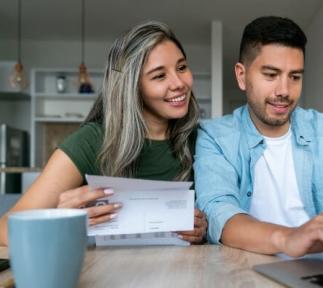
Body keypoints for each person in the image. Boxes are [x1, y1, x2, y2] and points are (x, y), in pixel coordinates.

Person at [0, 21, 207, 245]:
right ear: (130, 87)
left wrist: (204, 230)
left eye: (181, 67)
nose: (179, 83)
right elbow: (4, 231)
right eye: (159, 76)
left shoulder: (204, 141)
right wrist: (59, 223)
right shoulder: (90, 142)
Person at [194, 16, 323, 257]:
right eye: (271, 75)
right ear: (242, 75)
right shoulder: (214, 136)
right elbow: (219, 213)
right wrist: (289, 237)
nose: (284, 91)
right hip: (249, 268)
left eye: (295, 77)